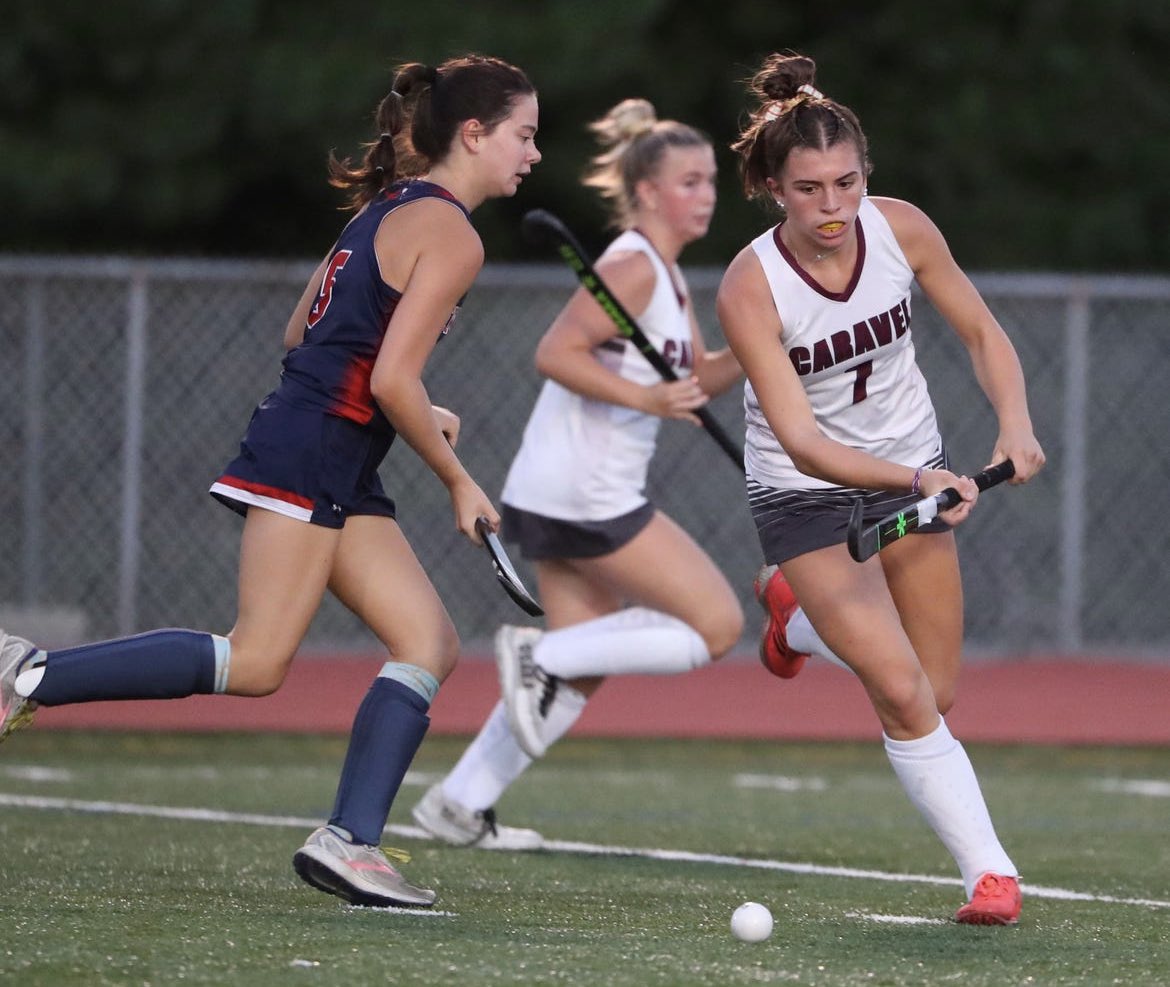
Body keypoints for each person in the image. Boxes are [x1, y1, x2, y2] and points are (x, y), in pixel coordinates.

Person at [0, 54, 542, 908]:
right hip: (318, 450)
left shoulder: (391, 207)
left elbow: (308, 335)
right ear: (474, 135)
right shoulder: (453, 233)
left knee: (428, 642)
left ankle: (349, 842)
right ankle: (28, 671)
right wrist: (456, 477)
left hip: (330, 448)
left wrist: (413, 409)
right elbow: (389, 378)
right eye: (524, 134)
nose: (533, 153)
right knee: (256, 659)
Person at [717, 52, 1045, 925]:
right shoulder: (751, 286)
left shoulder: (902, 229)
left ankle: (794, 617)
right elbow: (802, 440)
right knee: (899, 690)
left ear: (867, 175)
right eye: (809, 189)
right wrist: (917, 479)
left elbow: (980, 331)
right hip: (808, 494)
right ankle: (991, 874)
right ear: (772, 187)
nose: (832, 207)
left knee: (933, 695)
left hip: (914, 467)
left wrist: (1013, 421)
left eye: (847, 183)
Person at [409, 98, 743, 849]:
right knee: (715, 624)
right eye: (690, 181)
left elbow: (696, 378)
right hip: (586, 488)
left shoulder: (664, 274)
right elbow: (556, 352)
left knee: (584, 667)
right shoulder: (631, 266)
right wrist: (647, 396)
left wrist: (763, 341)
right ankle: (537, 655)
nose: (706, 195)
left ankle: (458, 802)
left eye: (711, 181)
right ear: (649, 190)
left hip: (563, 486)